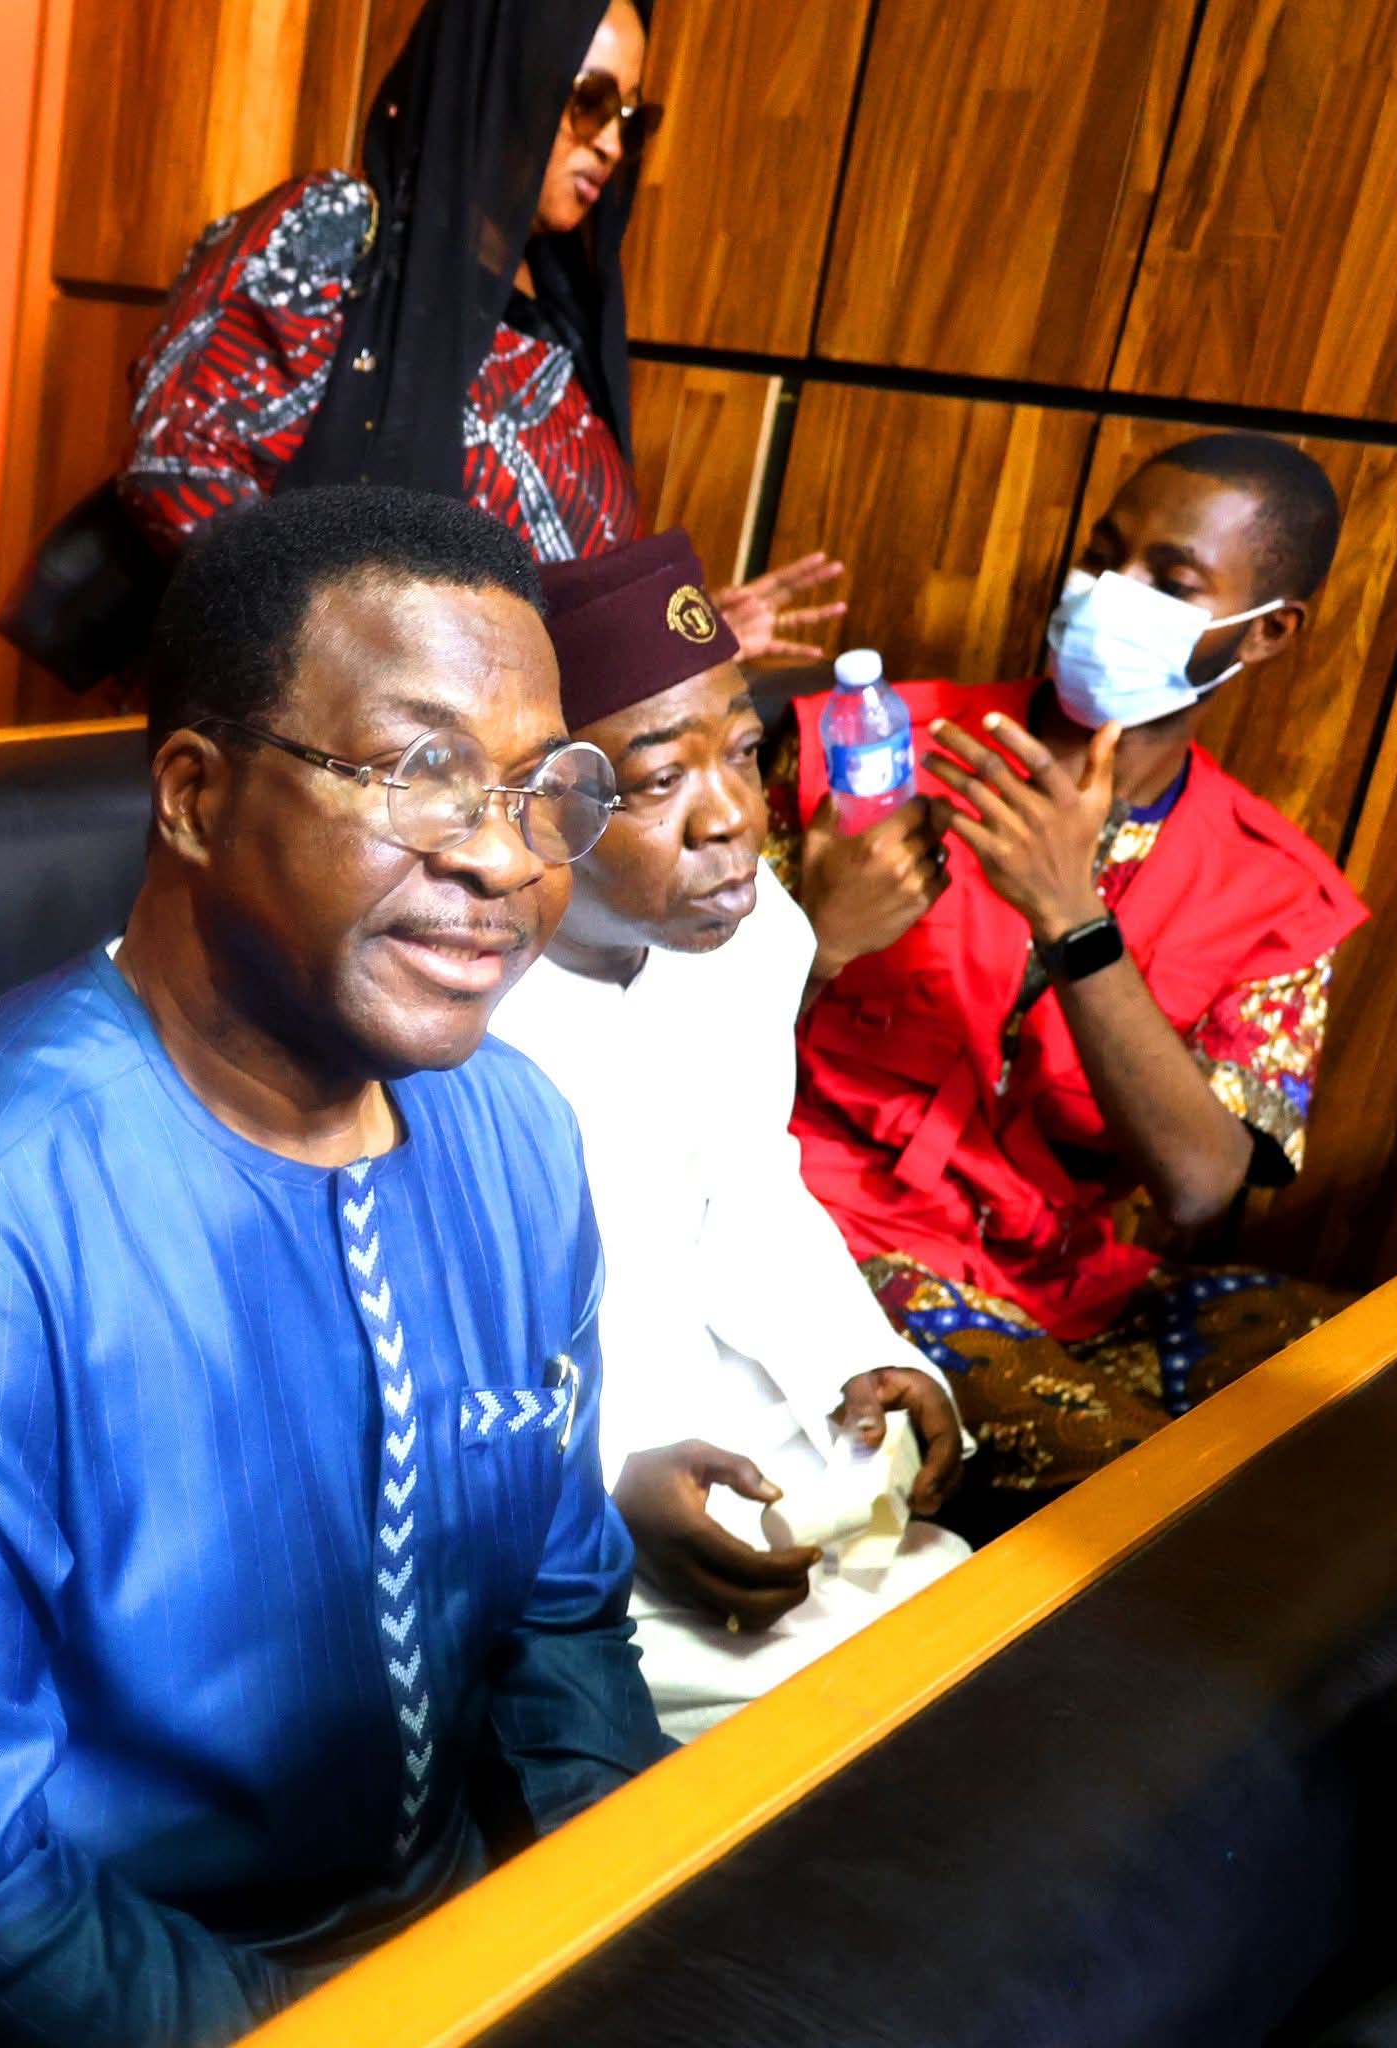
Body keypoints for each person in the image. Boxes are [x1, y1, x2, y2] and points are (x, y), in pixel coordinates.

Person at [0, 487, 666, 2045]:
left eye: (536, 789)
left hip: (471, 1950)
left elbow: (561, 1620)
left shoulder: (518, 1134)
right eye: (425, 777)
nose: (505, 859)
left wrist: (638, 1929)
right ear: (191, 795)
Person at [769, 434, 1369, 1530]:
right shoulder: (862, 754)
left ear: (1267, 630)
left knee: (1362, 1393)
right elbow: (652, 1034)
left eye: (1170, 583)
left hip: (1063, 1280)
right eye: (1102, 556)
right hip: (829, 1232)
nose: (1107, 596)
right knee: (1143, 1498)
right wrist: (820, 939)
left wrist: (1072, 920)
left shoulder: (1276, 889)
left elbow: (1200, 1187)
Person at [489, 530, 969, 1741]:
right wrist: (604, 1486)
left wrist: (860, 1361)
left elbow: (751, 1188)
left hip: (738, 1442)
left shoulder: (754, 941)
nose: (735, 819)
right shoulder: (445, 1011)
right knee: (851, 1729)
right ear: (539, 802)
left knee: (978, 1633)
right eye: (659, 781)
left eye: (745, 753)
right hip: (536, 1496)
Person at [114, 0, 843, 660]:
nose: (612, 145)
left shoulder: (562, 323)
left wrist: (671, 643)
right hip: (321, 743)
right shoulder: (338, 238)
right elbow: (178, 464)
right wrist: (346, 666)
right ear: (503, 79)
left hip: (488, 755)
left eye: (631, 118)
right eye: (590, 101)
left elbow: (546, 617)